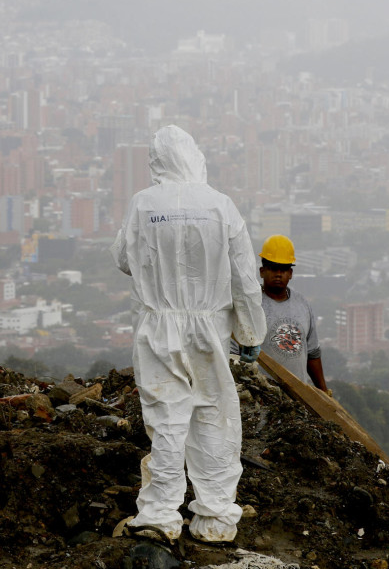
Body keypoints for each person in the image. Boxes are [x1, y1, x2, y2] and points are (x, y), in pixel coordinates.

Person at [111, 124, 267, 545]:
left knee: (165, 418)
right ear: (194, 156)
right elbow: (245, 278)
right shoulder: (221, 205)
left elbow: (125, 259)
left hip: (158, 326)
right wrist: (251, 331)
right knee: (214, 414)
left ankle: (161, 516)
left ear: (158, 162)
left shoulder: (143, 204)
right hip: (210, 327)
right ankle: (215, 518)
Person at [256, 234, 328, 393]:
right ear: (262, 271)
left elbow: (312, 352)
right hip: (261, 397)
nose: (278, 274)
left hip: (298, 399)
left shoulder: (302, 305)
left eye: (283, 269)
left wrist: (323, 392)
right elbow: (234, 355)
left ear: (290, 273)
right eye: (273, 268)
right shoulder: (251, 304)